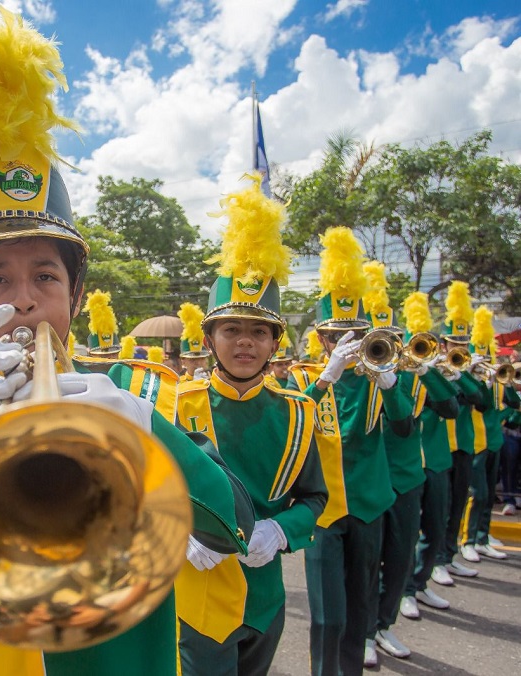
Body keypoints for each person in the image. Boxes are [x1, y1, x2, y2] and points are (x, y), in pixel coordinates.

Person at [0, 10, 251, 676]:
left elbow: (229, 526)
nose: (26, 298)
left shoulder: (140, 390)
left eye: (45, 275)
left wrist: (152, 431)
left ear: (73, 294)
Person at [174, 176, 327, 675]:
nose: (245, 342)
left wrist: (282, 531)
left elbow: (314, 499)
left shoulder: (299, 413)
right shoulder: (175, 405)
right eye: (231, 330)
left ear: (275, 341)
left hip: (265, 597)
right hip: (193, 596)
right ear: (210, 338)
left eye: (258, 331)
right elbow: (140, 490)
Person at [288, 227, 415, 676]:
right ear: (322, 339)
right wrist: (328, 375)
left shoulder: (378, 375)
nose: (346, 341)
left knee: (361, 604)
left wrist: (389, 381)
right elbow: (294, 425)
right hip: (322, 510)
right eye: (336, 335)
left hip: (368, 503)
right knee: (327, 615)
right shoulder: (306, 377)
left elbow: (403, 429)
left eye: (356, 333)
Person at [358, 274, 458, 665]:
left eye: (391, 339)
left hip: (405, 479)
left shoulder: (412, 380)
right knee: (368, 564)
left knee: (400, 559)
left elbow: (450, 408)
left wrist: (425, 370)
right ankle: (365, 631)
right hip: (369, 482)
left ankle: (384, 624)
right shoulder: (356, 379)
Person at [431, 282, 486, 584]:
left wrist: (464, 374)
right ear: (443, 345)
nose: (459, 348)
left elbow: (479, 400)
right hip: (437, 449)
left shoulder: (463, 370)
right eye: (454, 343)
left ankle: (448, 555)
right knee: (438, 510)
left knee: (458, 503)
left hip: (463, 445)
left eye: (463, 343)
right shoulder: (433, 370)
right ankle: (435, 558)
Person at [461, 308, 520, 561]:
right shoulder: (474, 383)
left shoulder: (497, 380)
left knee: (486, 497)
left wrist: (502, 381)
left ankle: (482, 536)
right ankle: (468, 540)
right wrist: (480, 380)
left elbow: (514, 403)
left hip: (494, 441)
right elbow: (481, 404)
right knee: (478, 494)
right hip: (476, 441)